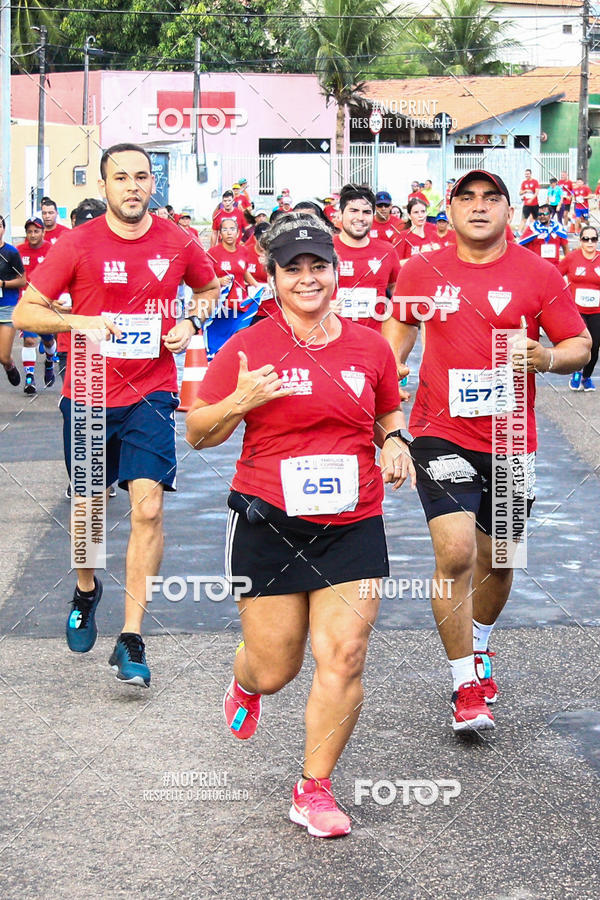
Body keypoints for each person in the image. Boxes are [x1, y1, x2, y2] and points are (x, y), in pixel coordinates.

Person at [186, 212, 415, 838]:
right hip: (269, 522)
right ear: (273, 277)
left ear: (337, 273)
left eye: (320, 266)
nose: (308, 278)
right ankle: (245, 683)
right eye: (294, 268)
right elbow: (200, 434)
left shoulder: (369, 346)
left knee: (344, 653)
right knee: (275, 667)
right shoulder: (247, 346)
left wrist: (395, 443)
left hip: (353, 522)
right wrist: (241, 401)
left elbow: (387, 414)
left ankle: (314, 789)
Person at [383, 169, 590, 732]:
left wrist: (545, 357)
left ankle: (480, 645)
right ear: (449, 210)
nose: (479, 207)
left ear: (508, 210)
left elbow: (579, 344)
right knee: (454, 554)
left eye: (491, 198)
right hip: (438, 430)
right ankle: (463, 684)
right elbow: (394, 339)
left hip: (509, 439)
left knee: (500, 560)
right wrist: (387, 378)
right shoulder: (420, 270)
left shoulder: (537, 273)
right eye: (467, 198)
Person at [13, 142, 220, 687]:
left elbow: (209, 289)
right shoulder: (78, 244)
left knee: (148, 510)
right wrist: (80, 323)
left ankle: (130, 637)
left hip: (151, 394)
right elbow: (29, 309)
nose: (132, 186)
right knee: (89, 515)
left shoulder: (178, 240)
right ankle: (86, 589)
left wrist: (191, 324)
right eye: (120, 177)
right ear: (103, 186)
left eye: (141, 177)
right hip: (86, 397)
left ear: (154, 184)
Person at [333, 184, 400, 331]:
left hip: (375, 341)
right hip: (333, 339)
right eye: (353, 211)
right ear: (340, 213)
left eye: (366, 212)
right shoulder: (325, 249)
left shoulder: (387, 251)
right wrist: (322, 307)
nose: (360, 218)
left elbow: (396, 289)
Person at [15, 217, 56, 393]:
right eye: (30, 231)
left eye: (36, 231)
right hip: (25, 303)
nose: (33, 235)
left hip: (45, 303)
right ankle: (29, 378)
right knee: (30, 339)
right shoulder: (18, 252)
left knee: (48, 340)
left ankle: (49, 360)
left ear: (43, 232)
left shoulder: (51, 250)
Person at [559, 224, 600, 391]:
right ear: (580, 240)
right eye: (586, 239)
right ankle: (576, 372)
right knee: (580, 343)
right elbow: (555, 275)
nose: (590, 242)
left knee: (595, 346)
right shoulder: (572, 258)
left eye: (594, 239)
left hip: (597, 311)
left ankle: (587, 377)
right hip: (576, 310)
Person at [0, 215, 27, 386]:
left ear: (3, 229)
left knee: (3, 356)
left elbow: (22, 281)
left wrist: (2, 283)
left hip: (7, 306)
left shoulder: (11, 253)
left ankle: (9, 366)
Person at [208, 218, 257, 302]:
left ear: (238, 233)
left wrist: (257, 285)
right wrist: (218, 281)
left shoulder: (244, 251)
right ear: (220, 234)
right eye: (225, 229)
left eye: (232, 229)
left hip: (241, 301)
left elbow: (244, 271)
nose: (229, 233)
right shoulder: (212, 253)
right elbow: (204, 278)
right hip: (220, 303)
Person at [396, 198, 441, 263]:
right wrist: (420, 256)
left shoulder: (433, 235)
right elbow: (396, 264)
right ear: (409, 216)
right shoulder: (403, 236)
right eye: (416, 212)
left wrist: (438, 253)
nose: (420, 215)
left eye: (423, 211)